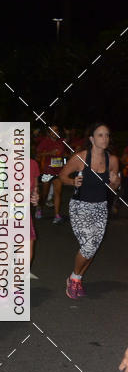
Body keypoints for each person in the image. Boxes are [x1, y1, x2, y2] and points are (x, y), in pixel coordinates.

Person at [59, 122, 120, 299]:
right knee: (88, 247)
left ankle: (76, 278)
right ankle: (74, 278)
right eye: (100, 135)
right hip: (80, 206)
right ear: (92, 138)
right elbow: (63, 176)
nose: (105, 138)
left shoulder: (113, 160)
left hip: (100, 207)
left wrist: (115, 182)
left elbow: (113, 187)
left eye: (107, 135)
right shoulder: (80, 158)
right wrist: (73, 182)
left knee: (92, 247)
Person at [36, 124, 68, 222]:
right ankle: (40, 208)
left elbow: (64, 154)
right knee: (45, 194)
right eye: (52, 131)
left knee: (58, 193)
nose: (55, 133)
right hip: (47, 172)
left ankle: (57, 215)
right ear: (49, 133)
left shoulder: (61, 142)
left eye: (56, 130)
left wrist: (67, 157)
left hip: (58, 171)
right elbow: (37, 154)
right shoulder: (45, 142)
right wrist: (49, 153)